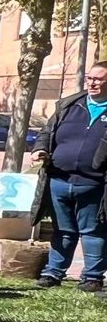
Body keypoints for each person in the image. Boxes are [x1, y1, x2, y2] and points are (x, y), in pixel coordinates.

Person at [31, 61, 106, 291]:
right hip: (59, 180)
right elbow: (47, 131)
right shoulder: (69, 105)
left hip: (94, 184)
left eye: (98, 79)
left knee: (93, 232)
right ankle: (53, 273)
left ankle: (92, 278)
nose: (92, 83)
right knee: (62, 231)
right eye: (90, 78)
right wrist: (39, 149)